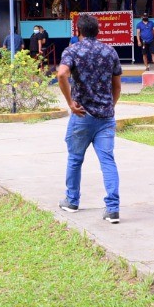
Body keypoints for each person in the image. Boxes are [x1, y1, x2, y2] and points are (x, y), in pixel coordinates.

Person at [56, 13, 123, 224]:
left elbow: (61, 74)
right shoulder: (109, 51)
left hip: (82, 115)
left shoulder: (73, 50)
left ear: (78, 31)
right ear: (98, 31)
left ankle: (72, 201)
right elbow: (117, 86)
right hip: (105, 117)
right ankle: (112, 209)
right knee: (107, 161)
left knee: (75, 159)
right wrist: (109, 106)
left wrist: (70, 102)